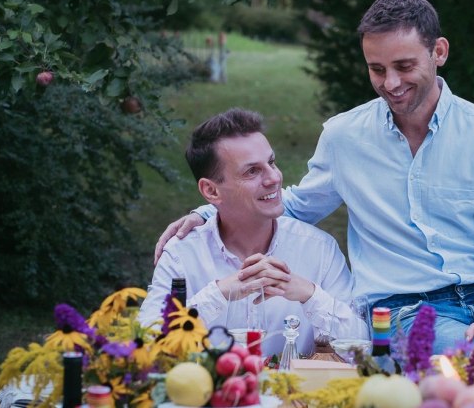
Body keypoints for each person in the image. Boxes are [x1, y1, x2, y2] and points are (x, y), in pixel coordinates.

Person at [154, 0, 474, 364]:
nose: (390, 83)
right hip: (401, 311)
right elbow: (297, 204)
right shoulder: (344, 137)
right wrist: (209, 212)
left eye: (404, 66)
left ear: (439, 52)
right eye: (377, 69)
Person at [139, 108, 363, 357]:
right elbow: (146, 346)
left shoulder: (318, 249)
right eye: (252, 171)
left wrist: (311, 295)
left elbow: (361, 347)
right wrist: (219, 294)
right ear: (212, 192)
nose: (274, 178)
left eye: (271, 162)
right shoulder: (182, 255)